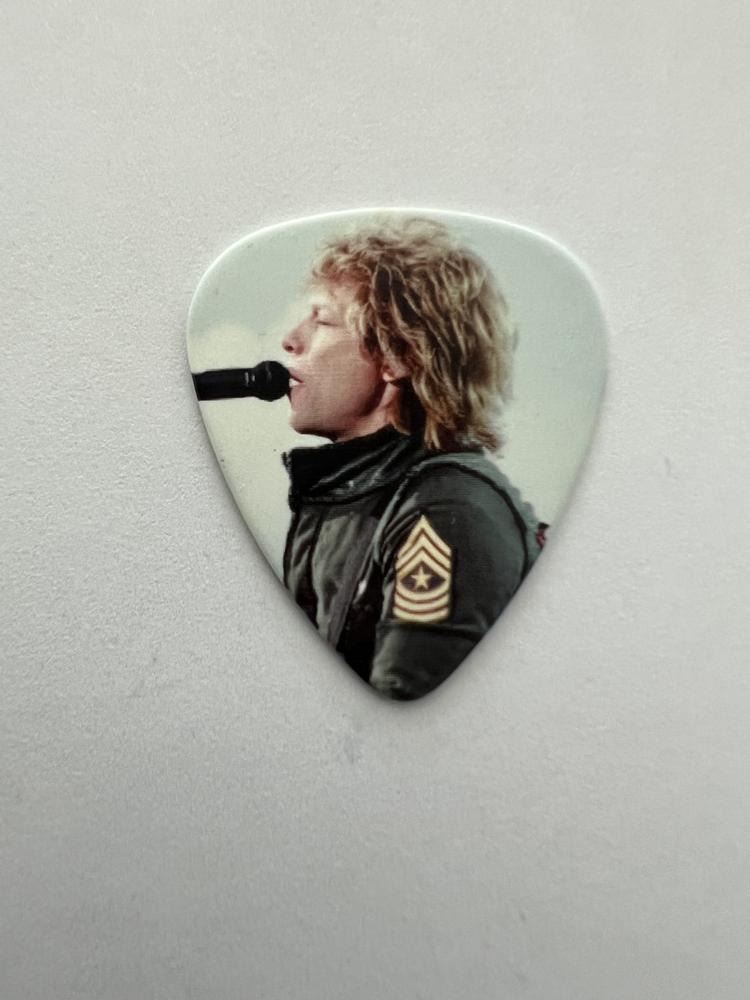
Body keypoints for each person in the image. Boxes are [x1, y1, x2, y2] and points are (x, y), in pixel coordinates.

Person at [280, 219, 544, 700]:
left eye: (322, 321)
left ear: (396, 356)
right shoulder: (340, 496)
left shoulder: (447, 510)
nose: (290, 340)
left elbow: (407, 697)